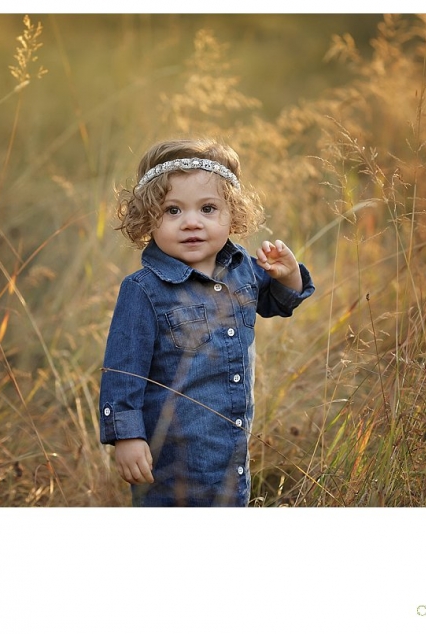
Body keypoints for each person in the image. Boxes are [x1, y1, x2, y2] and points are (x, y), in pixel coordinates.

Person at [99, 138, 315, 506]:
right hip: (172, 459)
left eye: (208, 208)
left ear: (233, 214)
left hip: (231, 449)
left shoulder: (243, 268)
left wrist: (289, 276)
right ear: (148, 218)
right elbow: (123, 372)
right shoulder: (144, 291)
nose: (192, 223)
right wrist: (127, 437)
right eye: (173, 211)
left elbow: (277, 304)